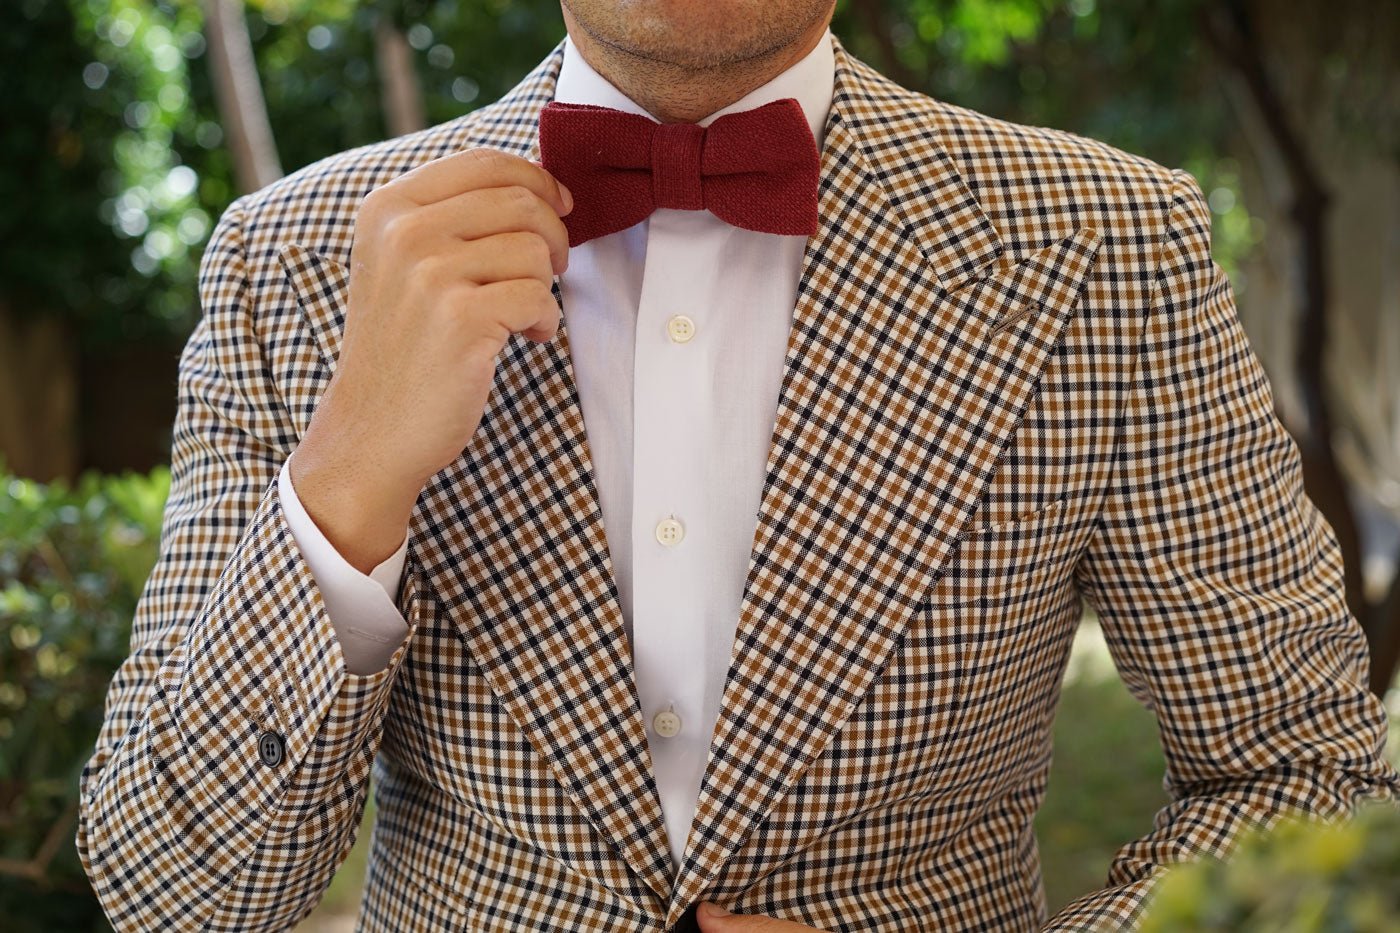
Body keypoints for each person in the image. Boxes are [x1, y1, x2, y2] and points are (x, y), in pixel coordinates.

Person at [76, 1, 1400, 930]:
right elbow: (174, 892)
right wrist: (349, 473)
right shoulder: (296, 262)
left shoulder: (1109, 243)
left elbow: (1306, 776)